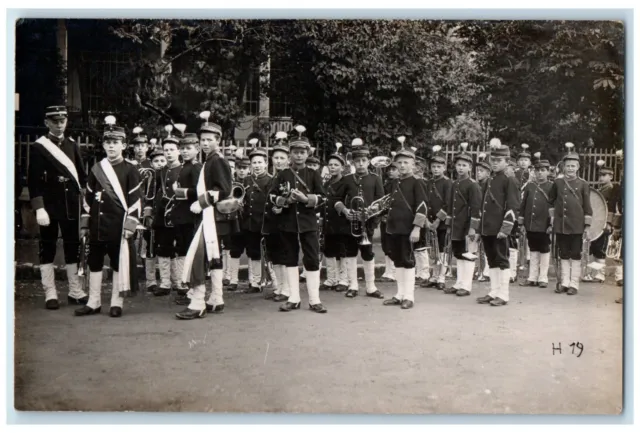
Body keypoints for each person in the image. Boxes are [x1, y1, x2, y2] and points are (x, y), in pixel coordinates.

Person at [75, 116, 142, 317]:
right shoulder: (97, 169)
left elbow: (135, 201)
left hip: (118, 225)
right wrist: (85, 224)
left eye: (116, 143)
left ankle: (116, 302)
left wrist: (130, 226)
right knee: (94, 262)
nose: (111, 146)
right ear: (103, 144)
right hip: (97, 225)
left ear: (124, 145)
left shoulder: (131, 169)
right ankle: (94, 302)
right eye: (108, 142)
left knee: (116, 263)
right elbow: (88, 198)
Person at [28, 105, 88, 309]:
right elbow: (34, 181)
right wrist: (39, 208)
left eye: (62, 121)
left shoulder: (72, 145)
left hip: (71, 205)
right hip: (50, 207)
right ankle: (50, 293)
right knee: (48, 247)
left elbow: (81, 176)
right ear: (47, 123)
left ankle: (75, 290)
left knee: (73, 246)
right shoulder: (38, 148)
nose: (59, 124)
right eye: (55, 121)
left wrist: (84, 202)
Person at [175, 112, 233, 319]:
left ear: (219, 141)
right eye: (203, 140)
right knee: (214, 258)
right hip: (210, 218)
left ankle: (198, 303)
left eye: (210, 140)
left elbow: (224, 190)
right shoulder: (209, 160)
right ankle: (216, 299)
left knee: (198, 258)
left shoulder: (217, 161)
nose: (206, 143)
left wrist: (201, 202)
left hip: (212, 218)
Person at [269, 129, 327, 313]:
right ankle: (294, 298)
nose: (299, 155)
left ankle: (314, 300)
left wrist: (305, 199)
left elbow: (324, 198)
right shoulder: (282, 174)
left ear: (308, 153)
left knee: (312, 259)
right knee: (290, 259)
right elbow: (271, 196)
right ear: (290, 154)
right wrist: (286, 201)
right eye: (295, 152)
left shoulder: (313, 174)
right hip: (288, 223)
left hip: (309, 224)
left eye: (302, 152)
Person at [382, 139, 428, 310]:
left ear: (413, 164)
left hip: (409, 229)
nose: (402, 166)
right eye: (399, 162)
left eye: (405, 163)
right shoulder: (395, 182)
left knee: (408, 261)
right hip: (394, 227)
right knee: (398, 261)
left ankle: (409, 296)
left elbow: (422, 206)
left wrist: (417, 228)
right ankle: (399, 294)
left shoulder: (418, 181)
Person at [476, 139, 520, 307]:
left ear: (507, 162)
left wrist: (506, 228)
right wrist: (480, 227)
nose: (494, 163)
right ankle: (494, 291)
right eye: (492, 160)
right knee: (492, 259)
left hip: (500, 228)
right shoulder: (489, 180)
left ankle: (503, 294)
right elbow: (484, 206)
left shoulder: (510, 180)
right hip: (488, 227)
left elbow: (513, 206)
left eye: (498, 160)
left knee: (502, 260)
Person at [341, 138, 385, 298]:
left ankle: (371, 286)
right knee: (350, 253)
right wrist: (345, 211)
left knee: (368, 253)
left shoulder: (375, 179)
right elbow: (337, 200)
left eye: (363, 161)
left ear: (368, 162)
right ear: (353, 162)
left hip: (368, 223)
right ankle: (352, 285)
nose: (360, 164)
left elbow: (381, 201)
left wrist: (372, 210)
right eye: (357, 161)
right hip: (350, 222)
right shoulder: (346, 179)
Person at [547, 145, 593, 296]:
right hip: (561, 225)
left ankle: (574, 284)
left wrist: (586, 226)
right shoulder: (558, 183)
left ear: (578, 167)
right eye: (568, 166)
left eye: (573, 166)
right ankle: (564, 282)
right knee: (564, 253)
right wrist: (553, 218)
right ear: (563, 167)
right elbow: (551, 200)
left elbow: (587, 205)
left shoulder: (583, 184)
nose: (570, 169)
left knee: (575, 254)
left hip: (577, 225)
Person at [144, 127, 182, 297]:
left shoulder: (184, 170)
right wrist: (149, 213)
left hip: (180, 215)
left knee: (180, 248)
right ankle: (165, 283)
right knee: (164, 248)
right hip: (162, 216)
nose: (168, 154)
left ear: (178, 151)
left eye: (172, 150)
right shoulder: (159, 172)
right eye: (166, 150)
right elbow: (151, 194)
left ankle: (180, 282)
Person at [442, 146, 481, 297]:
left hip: (467, 226)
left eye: (464, 165)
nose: (460, 168)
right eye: (458, 165)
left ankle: (466, 285)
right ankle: (459, 283)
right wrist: (449, 225)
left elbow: (476, 208)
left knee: (468, 254)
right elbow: (451, 206)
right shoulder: (454, 183)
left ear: (470, 167)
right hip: (456, 226)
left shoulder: (473, 185)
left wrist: (473, 228)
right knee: (458, 254)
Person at [171, 133, 203, 305]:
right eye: (182, 148)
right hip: (182, 215)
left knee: (188, 251)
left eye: (188, 148)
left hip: (191, 216)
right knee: (182, 250)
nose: (184, 151)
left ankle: (190, 289)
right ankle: (185, 286)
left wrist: (181, 192)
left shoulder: (196, 167)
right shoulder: (186, 166)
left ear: (197, 149)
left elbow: (199, 191)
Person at [263, 132, 291, 302]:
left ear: (288, 160)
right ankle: (279, 287)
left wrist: (283, 208)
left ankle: (286, 290)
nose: (278, 161)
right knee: (275, 256)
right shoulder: (274, 177)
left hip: (285, 222)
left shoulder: (288, 176)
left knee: (284, 255)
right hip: (273, 222)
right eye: (276, 158)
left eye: (282, 158)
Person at [320, 147, 353, 292]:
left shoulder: (346, 183)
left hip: (341, 221)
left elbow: (349, 201)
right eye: (330, 165)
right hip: (328, 221)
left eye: (336, 165)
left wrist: (343, 209)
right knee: (329, 250)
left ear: (342, 167)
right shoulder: (326, 184)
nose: (332, 167)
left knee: (341, 251)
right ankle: (331, 279)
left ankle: (343, 280)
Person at [241, 146, 272, 293]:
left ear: (266, 163)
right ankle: (255, 282)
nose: (257, 166)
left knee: (269, 252)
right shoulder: (246, 180)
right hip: (250, 222)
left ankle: (273, 281)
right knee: (252, 252)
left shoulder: (271, 180)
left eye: (260, 162)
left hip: (265, 222)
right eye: (254, 163)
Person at [518, 158, 553, 288]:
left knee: (544, 249)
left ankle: (543, 277)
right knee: (532, 249)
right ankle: (532, 277)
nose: (539, 173)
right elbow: (523, 204)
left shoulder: (551, 186)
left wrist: (551, 224)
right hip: (531, 223)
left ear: (548, 172)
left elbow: (554, 206)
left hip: (544, 223)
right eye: (537, 171)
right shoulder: (530, 186)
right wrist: (521, 222)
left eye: (543, 170)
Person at [583, 161, 620, 283]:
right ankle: (594, 273)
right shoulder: (600, 190)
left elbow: (611, 207)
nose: (601, 177)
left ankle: (601, 274)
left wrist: (609, 223)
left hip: (604, 224)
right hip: (596, 223)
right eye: (600, 175)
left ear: (611, 176)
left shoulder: (612, 190)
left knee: (600, 249)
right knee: (593, 248)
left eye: (604, 175)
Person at [421, 146, 452, 290]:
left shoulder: (448, 183)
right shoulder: (428, 183)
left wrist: (438, 220)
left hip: (442, 222)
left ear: (444, 168)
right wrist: (427, 220)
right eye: (433, 167)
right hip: (430, 221)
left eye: (439, 167)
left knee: (442, 251)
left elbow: (448, 203)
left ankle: (441, 278)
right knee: (432, 250)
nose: (436, 169)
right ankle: (433, 276)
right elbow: (425, 202)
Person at [226, 154, 251, 290]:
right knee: (234, 251)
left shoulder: (252, 182)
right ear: (235, 169)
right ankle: (233, 280)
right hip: (235, 222)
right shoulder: (231, 183)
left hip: (249, 221)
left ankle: (254, 281)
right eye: (239, 168)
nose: (242, 171)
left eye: (245, 168)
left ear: (249, 169)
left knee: (252, 251)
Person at [379, 158, 400, 282]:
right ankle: (388, 271)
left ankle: (394, 272)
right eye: (389, 169)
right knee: (386, 244)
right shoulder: (386, 183)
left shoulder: (399, 184)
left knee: (393, 244)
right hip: (385, 218)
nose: (391, 172)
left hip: (395, 219)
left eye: (394, 169)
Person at [472, 153, 492, 282]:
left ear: (488, 173)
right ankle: (476, 269)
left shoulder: (489, 186)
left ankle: (486, 271)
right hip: (475, 218)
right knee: (474, 246)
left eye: (482, 171)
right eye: (477, 171)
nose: (478, 173)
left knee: (486, 247)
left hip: (486, 219)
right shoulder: (475, 185)